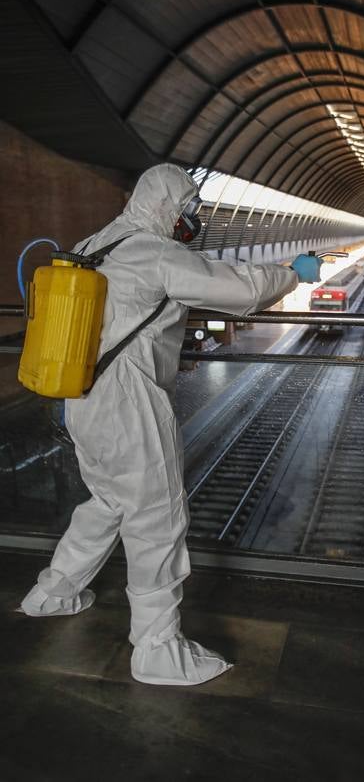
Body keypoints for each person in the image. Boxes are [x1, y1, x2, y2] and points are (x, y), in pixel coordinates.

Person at [20, 164, 322, 686]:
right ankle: (156, 648)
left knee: (110, 501)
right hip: (128, 400)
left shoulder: (97, 241)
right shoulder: (155, 252)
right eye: (189, 210)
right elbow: (242, 290)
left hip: (81, 394)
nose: (193, 220)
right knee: (157, 517)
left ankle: (53, 591)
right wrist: (294, 272)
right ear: (167, 207)